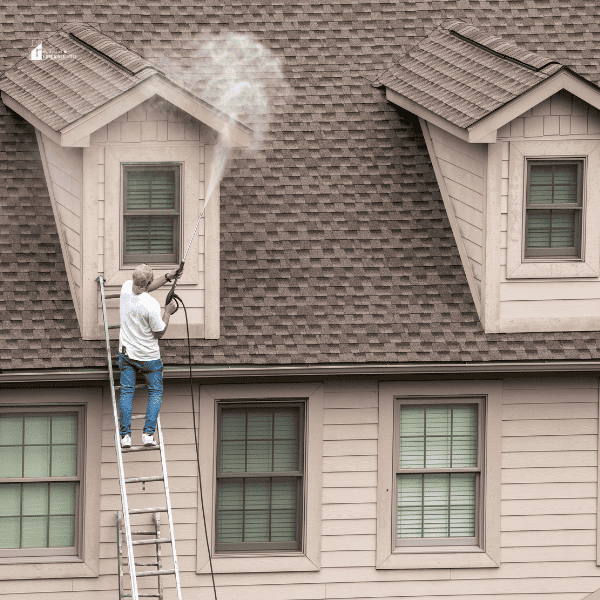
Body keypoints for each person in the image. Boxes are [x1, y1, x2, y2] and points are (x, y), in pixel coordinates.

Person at [118, 264, 179, 448]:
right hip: (149, 359)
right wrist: (167, 312)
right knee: (155, 392)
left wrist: (168, 276)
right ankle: (147, 435)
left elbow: (145, 287)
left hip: (127, 354)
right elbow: (159, 332)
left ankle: (125, 437)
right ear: (149, 282)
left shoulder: (126, 288)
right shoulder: (151, 305)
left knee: (127, 391)